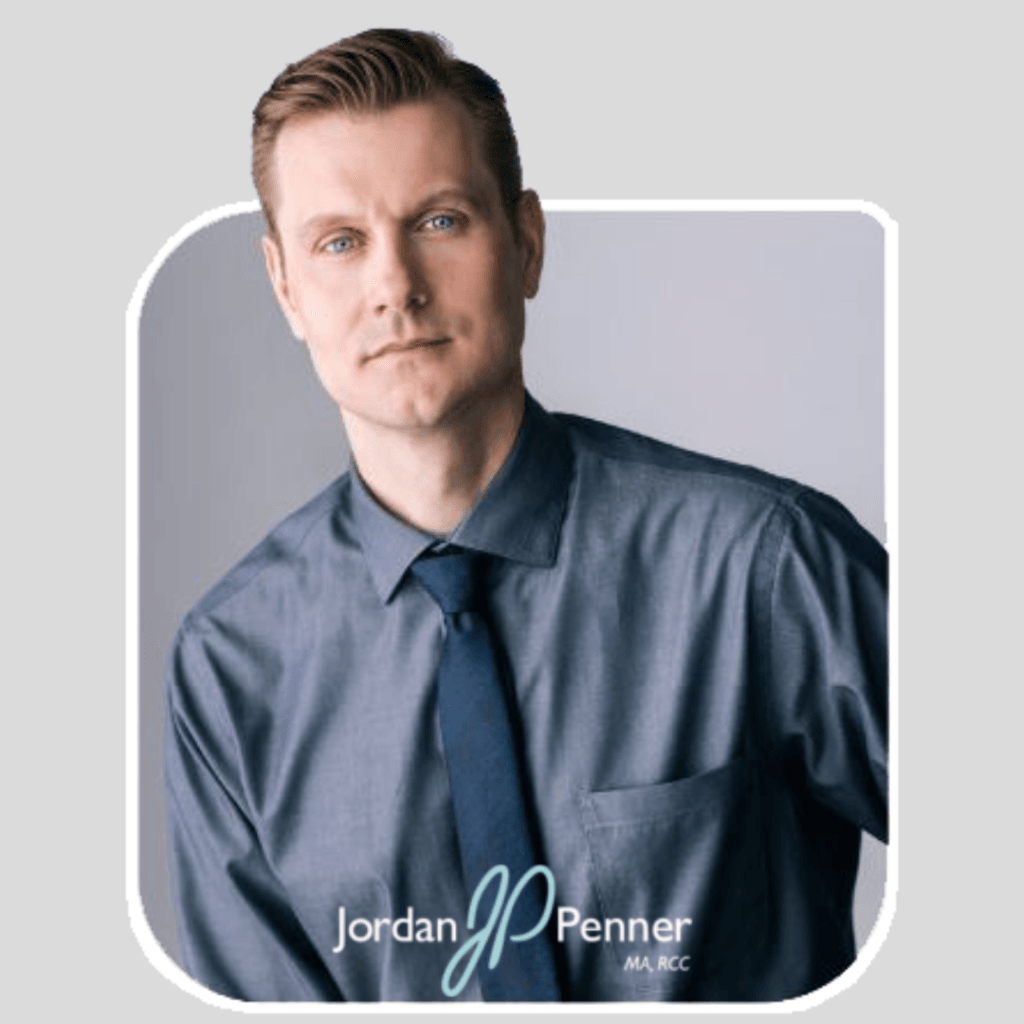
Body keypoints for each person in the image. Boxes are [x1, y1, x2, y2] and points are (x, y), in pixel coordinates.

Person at [164, 28, 887, 1003]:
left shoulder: (762, 566)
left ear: (527, 242)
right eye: (339, 242)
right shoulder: (228, 662)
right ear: (285, 287)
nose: (393, 287)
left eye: (440, 220)